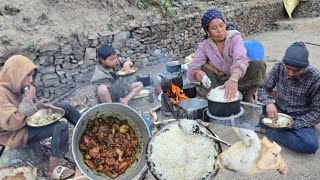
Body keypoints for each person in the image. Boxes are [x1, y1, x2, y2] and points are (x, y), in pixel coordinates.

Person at [0, 55, 81, 179]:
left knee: (66, 106)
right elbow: (11, 124)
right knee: (60, 126)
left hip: (25, 122)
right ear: (14, 74)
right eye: (27, 75)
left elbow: (26, 109)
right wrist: (29, 99)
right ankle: (51, 169)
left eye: (32, 75)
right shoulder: (2, 94)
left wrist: (40, 105)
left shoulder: (17, 87)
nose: (31, 80)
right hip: (15, 134)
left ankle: (89, 131)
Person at [187, 9, 266, 103]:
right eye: (214, 28)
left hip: (238, 77)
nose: (220, 30)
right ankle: (217, 98)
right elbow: (193, 66)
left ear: (225, 25)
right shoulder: (204, 46)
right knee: (204, 68)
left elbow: (240, 58)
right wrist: (196, 73)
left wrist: (233, 79)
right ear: (208, 32)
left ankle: (248, 96)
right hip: (218, 81)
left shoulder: (235, 38)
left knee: (259, 65)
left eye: (221, 25)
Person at [257, 42, 320, 154]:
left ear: (305, 67)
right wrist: (269, 103)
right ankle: (274, 129)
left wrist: (293, 125)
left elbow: (317, 111)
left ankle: (270, 131)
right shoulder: (278, 67)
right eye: (288, 68)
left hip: (300, 116)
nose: (290, 73)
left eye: (296, 70)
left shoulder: (315, 78)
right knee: (262, 110)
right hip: (278, 110)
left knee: (310, 145)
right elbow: (262, 88)